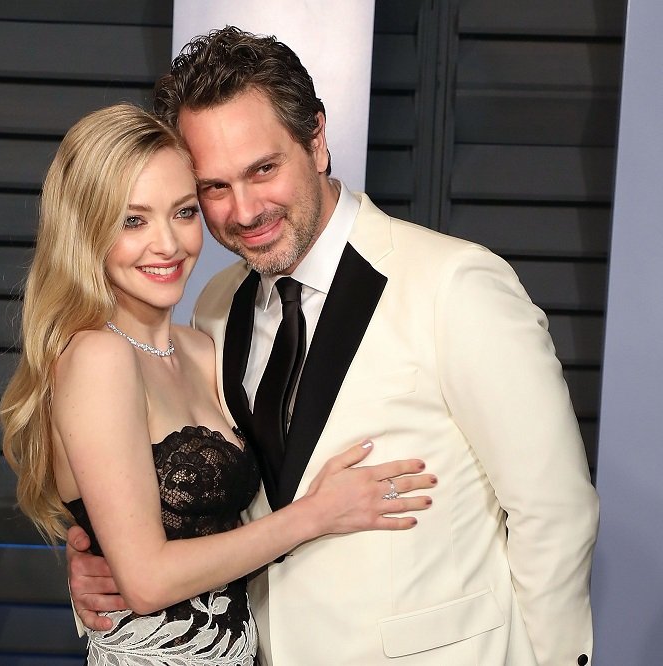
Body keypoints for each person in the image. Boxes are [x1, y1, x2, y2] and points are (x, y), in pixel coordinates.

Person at [66, 27, 601, 666]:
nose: (244, 210)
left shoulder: (453, 284)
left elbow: (556, 512)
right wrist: (99, 566)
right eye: (214, 187)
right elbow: (189, 498)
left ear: (317, 140)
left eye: (263, 169)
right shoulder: (215, 305)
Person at [0, 103, 436, 665]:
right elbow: (148, 582)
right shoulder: (97, 357)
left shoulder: (202, 345)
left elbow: (220, 530)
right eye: (132, 221)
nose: (168, 244)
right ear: (86, 230)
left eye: (183, 213)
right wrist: (315, 514)